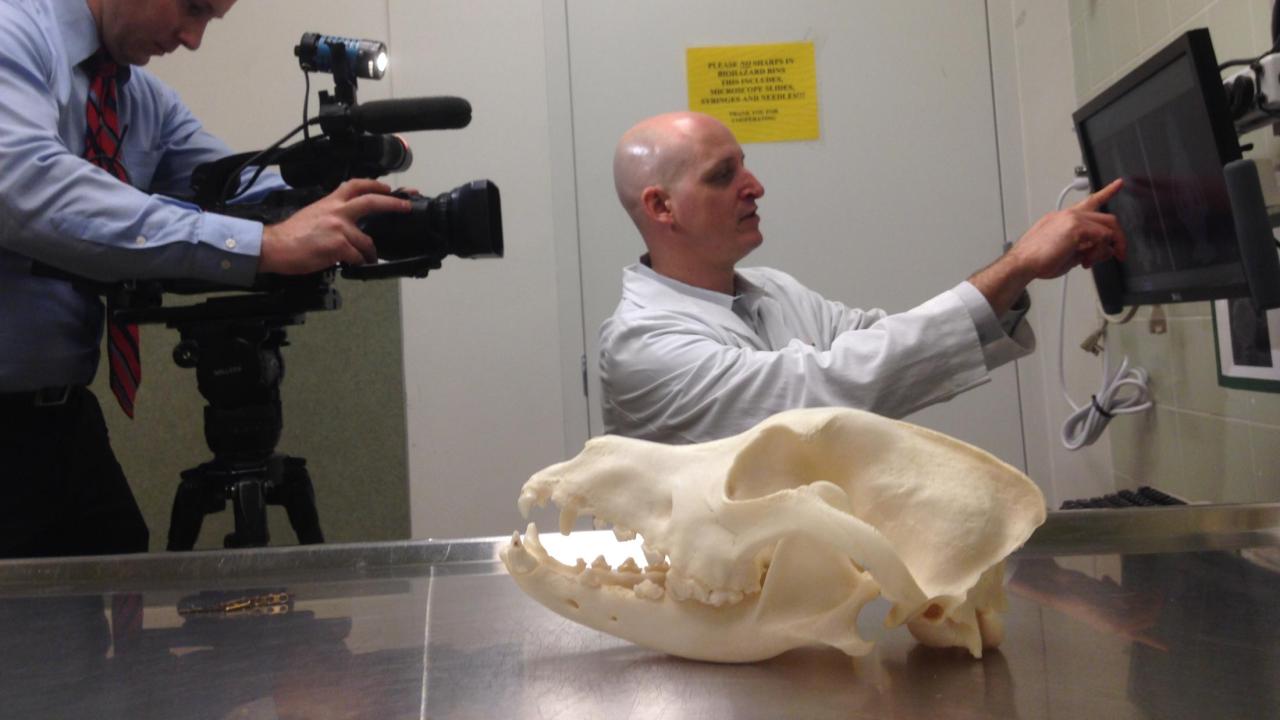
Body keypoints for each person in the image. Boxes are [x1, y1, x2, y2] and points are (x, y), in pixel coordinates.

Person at [0, 0, 411, 558]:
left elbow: (235, 189)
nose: (193, 39)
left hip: (60, 419)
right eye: (192, 8)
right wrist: (265, 245)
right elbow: (26, 189)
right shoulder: (15, 34)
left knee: (114, 568)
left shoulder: (142, 102)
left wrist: (350, 205)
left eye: (211, 19)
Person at [601, 111, 1126, 444]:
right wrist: (1017, 265)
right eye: (723, 175)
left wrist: (1018, 276)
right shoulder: (644, 346)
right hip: (691, 601)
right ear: (661, 206)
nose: (755, 186)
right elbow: (824, 392)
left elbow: (889, 345)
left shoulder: (775, 292)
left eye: (745, 166)